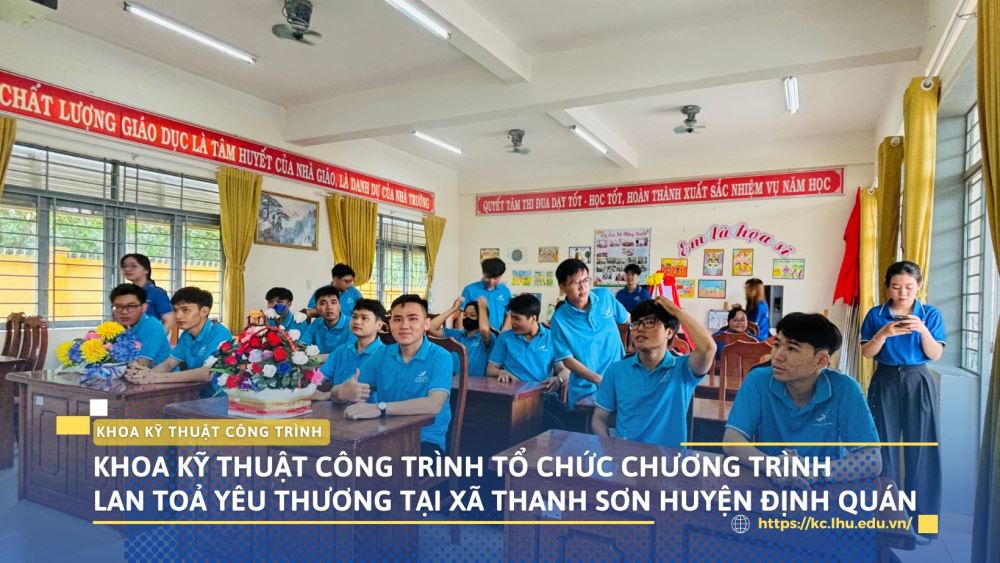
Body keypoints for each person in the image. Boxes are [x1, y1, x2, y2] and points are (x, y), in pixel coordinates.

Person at [723, 313, 882, 486]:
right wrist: (771, 466)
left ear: (821, 360)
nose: (777, 356)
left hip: (827, 488)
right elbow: (732, 440)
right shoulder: (758, 380)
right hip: (770, 485)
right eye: (777, 344)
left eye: (792, 349)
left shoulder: (845, 388)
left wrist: (814, 471)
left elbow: (871, 460)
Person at [861, 260, 945, 524]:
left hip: (917, 379)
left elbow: (936, 354)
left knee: (923, 451)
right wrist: (884, 333)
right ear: (888, 287)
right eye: (896, 287)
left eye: (909, 286)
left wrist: (922, 330)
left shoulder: (930, 314)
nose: (903, 292)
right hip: (884, 379)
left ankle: (925, 524)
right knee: (882, 449)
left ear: (919, 285)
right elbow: (867, 353)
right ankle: (887, 521)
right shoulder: (875, 314)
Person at [592, 296, 716, 447]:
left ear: (669, 332)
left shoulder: (683, 369)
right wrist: (609, 448)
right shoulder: (616, 370)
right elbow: (599, 419)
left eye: (650, 322)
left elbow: (708, 348)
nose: (640, 329)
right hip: (626, 456)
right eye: (635, 324)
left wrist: (677, 312)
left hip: (668, 459)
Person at [344, 295, 452, 456]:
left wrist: (379, 408)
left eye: (413, 318)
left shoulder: (440, 356)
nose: (404, 325)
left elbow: (434, 404)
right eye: (397, 319)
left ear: (426, 324)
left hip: (424, 442)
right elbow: (354, 388)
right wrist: (342, 392)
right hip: (383, 435)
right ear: (390, 324)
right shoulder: (383, 354)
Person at [550, 258, 629, 410]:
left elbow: (626, 319)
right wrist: (598, 380)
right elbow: (567, 360)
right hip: (585, 389)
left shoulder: (605, 296)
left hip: (618, 381)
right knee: (587, 424)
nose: (583, 287)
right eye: (575, 282)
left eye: (586, 280)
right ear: (562, 287)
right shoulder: (559, 320)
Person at [125, 286, 233, 397]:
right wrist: (145, 374)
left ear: (204, 311)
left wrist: (154, 377)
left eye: (185, 310)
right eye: (175, 310)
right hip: (198, 396)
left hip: (223, 399)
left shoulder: (219, 333)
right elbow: (168, 364)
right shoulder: (186, 335)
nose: (178, 316)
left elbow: (208, 373)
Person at [487, 294, 567, 392]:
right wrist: (501, 372)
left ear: (533, 318)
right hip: (512, 394)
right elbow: (490, 369)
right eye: (511, 317)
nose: (512, 322)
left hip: (542, 394)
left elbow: (564, 370)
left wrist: (558, 379)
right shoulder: (504, 337)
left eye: (517, 318)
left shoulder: (552, 338)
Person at [315, 299, 387, 402]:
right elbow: (319, 378)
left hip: (369, 410)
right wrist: (308, 385)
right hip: (336, 408)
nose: (357, 321)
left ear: (379, 325)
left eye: (364, 318)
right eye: (354, 317)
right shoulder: (340, 351)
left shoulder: (386, 356)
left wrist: (328, 395)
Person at [108, 283, 170, 367]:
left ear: (144, 307)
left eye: (131, 306)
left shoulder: (152, 326)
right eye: (118, 307)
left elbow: (141, 365)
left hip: (160, 374)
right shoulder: (116, 327)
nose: (124, 312)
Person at [429, 296, 493, 377]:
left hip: (476, 383)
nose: (468, 317)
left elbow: (484, 329)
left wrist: (482, 308)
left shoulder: (486, 338)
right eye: (465, 315)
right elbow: (431, 327)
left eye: (473, 315)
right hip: (452, 381)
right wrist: (453, 309)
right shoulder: (456, 334)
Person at [120, 253, 173, 334]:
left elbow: (168, 322)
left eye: (133, 266)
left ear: (146, 270)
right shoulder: (125, 293)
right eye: (124, 266)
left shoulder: (157, 293)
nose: (127, 269)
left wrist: (155, 339)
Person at [460, 257, 512, 331]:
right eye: (488, 277)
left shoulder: (505, 291)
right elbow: (461, 315)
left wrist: (503, 333)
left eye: (495, 278)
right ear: (483, 273)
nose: (491, 281)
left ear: (500, 276)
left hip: (497, 334)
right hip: (474, 334)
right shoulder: (469, 290)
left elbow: (508, 315)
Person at [301, 286, 353, 356]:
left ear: (339, 306)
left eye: (333, 303)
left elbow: (349, 355)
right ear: (317, 308)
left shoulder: (352, 325)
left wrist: (317, 358)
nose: (329, 307)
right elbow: (302, 345)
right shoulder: (317, 322)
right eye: (323, 303)